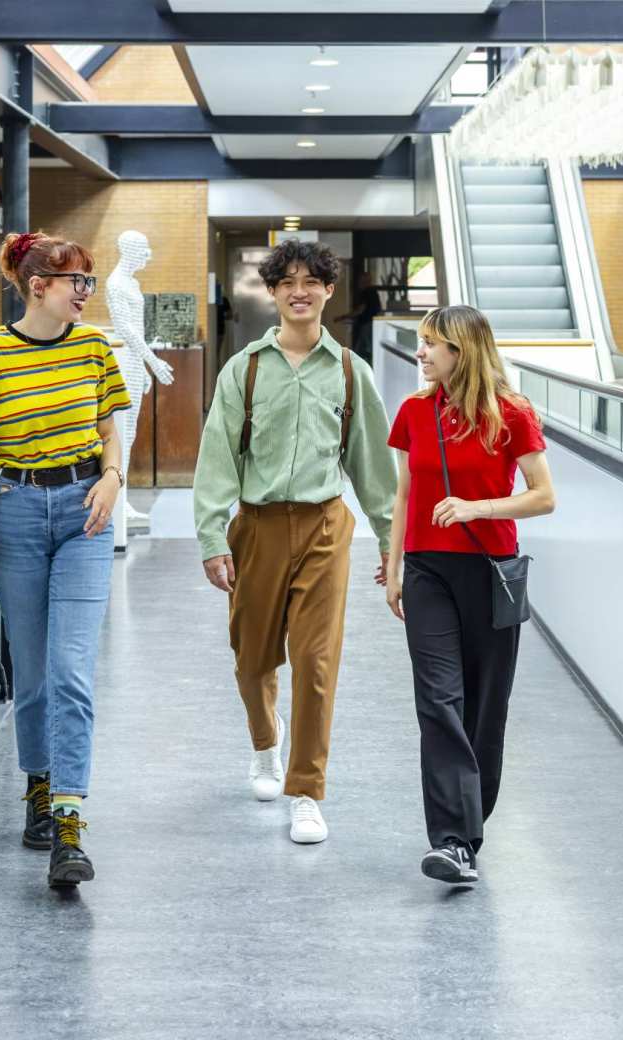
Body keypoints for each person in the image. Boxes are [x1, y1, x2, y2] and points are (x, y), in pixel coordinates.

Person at [0, 230, 131, 890]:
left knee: (72, 667)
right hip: (16, 514)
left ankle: (69, 821)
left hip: (85, 512)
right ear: (37, 287)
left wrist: (111, 478)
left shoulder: (93, 348)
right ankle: (39, 786)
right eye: (75, 281)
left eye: (89, 280)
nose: (86, 291)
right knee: (34, 674)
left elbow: (110, 429)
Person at [193, 239, 397, 845]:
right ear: (275, 293)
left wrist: (392, 544)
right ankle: (265, 743)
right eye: (288, 282)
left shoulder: (351, 373)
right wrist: (211, 536)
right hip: (256, 527)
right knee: (253, 659)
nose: (300, 291)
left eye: (312, 281)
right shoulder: (245, 369)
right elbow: (217, 459)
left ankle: (306, 790)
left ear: (329, 292)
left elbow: (374, 469)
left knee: (314, 661)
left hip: (325, 527)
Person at [385, 305, 555, 885]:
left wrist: (478, 507)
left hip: (491, 571)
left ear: (462, 349)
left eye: (432, 343)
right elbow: (405, 491)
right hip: (428, 570)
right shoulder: (414, 412)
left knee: (485, 708)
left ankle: (470, 823)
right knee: (438, 699)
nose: (422, 352)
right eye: (421, 342)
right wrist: (392, 564)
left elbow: (543, 496)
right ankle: (453, 840)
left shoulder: (512, 414)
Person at [336, 270, 382, 365]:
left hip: (366, 324)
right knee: (368, 349)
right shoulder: (373, 292)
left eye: (360, 280)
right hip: (372, 324)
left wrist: (343, 317)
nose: (358, 283)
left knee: (361, 350)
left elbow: (360, 310)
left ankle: (359, 371)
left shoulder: (367, 292)